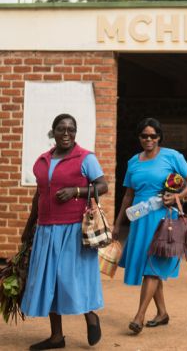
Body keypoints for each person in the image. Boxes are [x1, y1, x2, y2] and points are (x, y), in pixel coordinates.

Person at [21, 114, 108, 350]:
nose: (66, 133)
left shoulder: (85, 158)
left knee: (70, 279)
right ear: (54, 132)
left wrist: (76, 191)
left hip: (73, 230)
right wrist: (30, 226)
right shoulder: (42, 161)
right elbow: (39, 195)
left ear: (75, 132)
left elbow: (103, 186)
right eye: (61, 129)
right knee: (49, 280)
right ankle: (57, 337)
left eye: (71, 129)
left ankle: (90, 316)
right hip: (46, 230)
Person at [113, 117, 187, 335]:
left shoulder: (172, 156)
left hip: (163, 219)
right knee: (150, 267)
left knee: (152, 267)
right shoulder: (133, 162)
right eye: (144, 135)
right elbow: (128, 195)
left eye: (153, 135)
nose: (149, 139)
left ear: (159, 137)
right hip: (140, 219)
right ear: (139, 137)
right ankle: (162, 313)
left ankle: (139, 316)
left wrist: (177, 195)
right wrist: (117, 223)